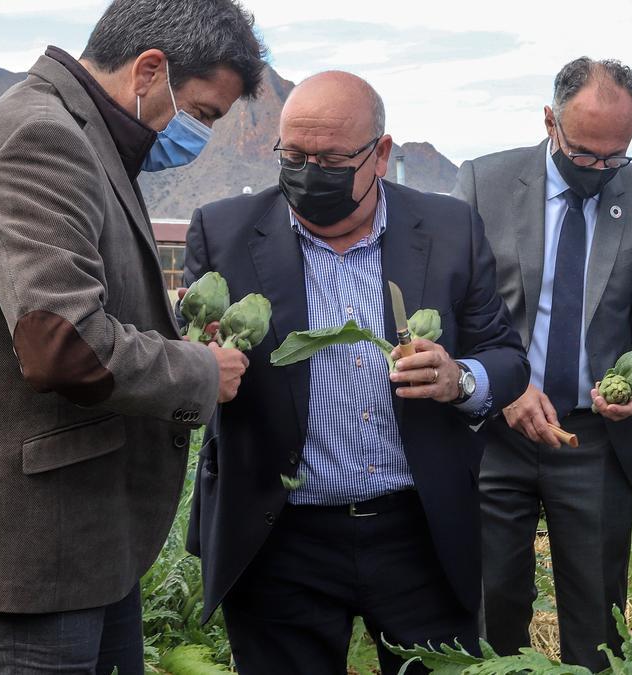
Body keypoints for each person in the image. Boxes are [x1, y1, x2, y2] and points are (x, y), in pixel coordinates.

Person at [0, 1, 264, 673]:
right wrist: (202, 370)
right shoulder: (42, 139)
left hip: (78, 544)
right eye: (203, 114)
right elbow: (63, 342)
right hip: (27, 555)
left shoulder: (84, 137)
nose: (198, 135)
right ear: (150, 70)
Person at [182, 70, 529, 675]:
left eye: (332, 158)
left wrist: (459, 379)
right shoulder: (223, 232)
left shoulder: (448, 230)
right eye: (294, 156)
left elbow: (505, 357)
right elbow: (187, 355)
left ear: (382, 154)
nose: (310, 173)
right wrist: (201, 362)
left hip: (417, 532)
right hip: (278, 535)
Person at [452, 57, 632, 670]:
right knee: (491, 595)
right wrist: (501, 386)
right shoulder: (484, 184)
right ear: (550, 121)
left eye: (615, 156)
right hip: (496, 430)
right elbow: (455, 310)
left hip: (594, 437)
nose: (599, 170)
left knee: (596, 611)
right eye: (584, 154)